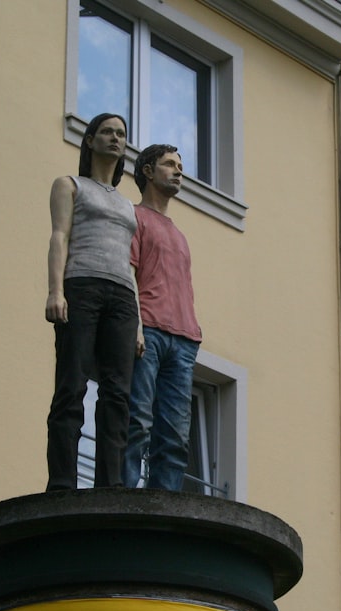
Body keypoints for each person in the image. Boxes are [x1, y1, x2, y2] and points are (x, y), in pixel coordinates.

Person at [44, 113, 140, 491]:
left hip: (122, 297)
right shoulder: (69, 185)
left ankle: (110, 487)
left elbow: (131, 264)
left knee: (118, 395)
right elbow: (58, 236)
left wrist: (140, 325)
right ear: (90, 140)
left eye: (121, 134)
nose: (116, 138)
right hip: (81, 286)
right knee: (72, 385)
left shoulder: (130, 206)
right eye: (107, 132)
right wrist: (55, 290)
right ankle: (63, 484)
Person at [123, 144, 202, 490]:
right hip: (150, 330)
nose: (178, 170)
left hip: (184, 339)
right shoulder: (134, 218)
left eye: (180, 165)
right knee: (137, 420)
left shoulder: (180, 235)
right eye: (169, 164)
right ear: (148, 171)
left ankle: (164, 505)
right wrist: (136, 325)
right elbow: (128, 273)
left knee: (174, 434)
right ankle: (123, 496)